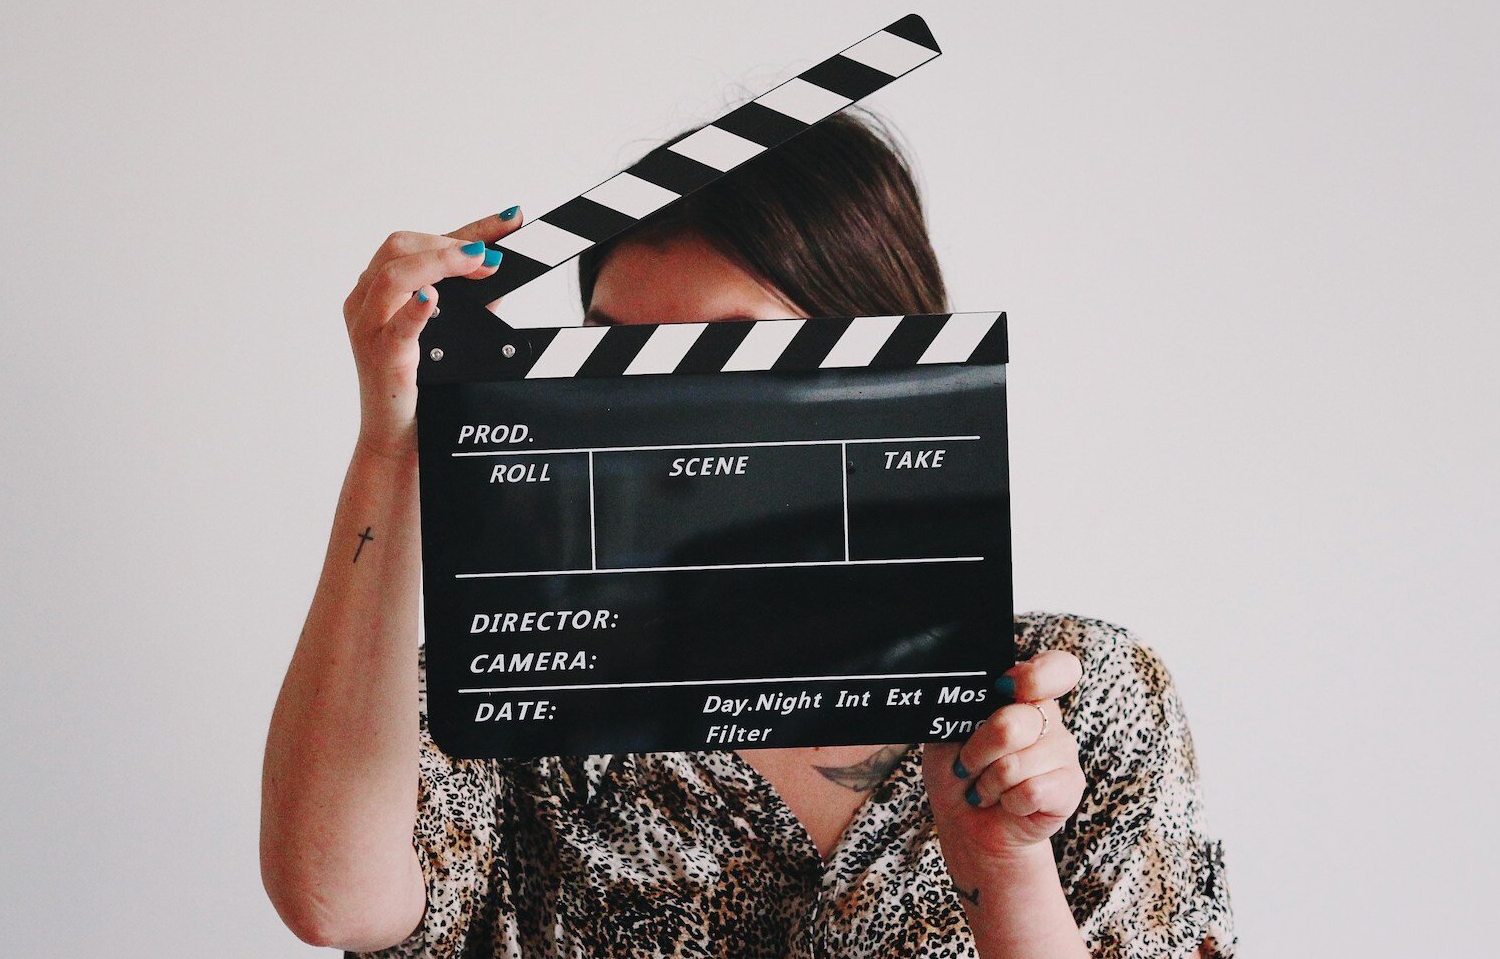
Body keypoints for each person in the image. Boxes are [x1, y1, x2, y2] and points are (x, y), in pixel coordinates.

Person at [260, 110, 1237, 957]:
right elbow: (331, 895)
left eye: (720, 355)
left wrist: (1006, 869)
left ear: (879, 369)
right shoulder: (518, 688)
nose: (648, 414)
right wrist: (395, 441)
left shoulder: (1072, 704)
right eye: (612, 355)